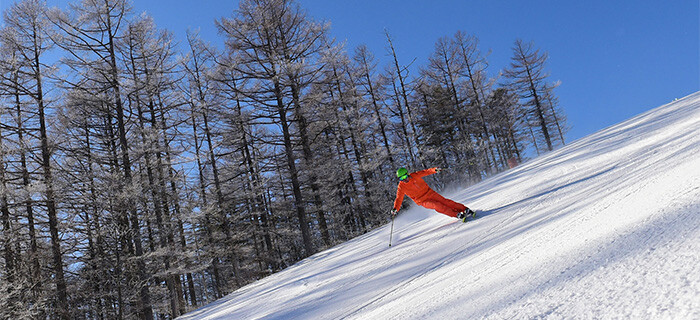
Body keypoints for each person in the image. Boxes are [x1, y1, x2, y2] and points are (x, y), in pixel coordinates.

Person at [392, 167, 475, 222]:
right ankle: (456, 214)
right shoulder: (401, 187)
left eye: (405, 177)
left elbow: (425, 172)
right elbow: (399, 198)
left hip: (430, 193)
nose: (404, 179)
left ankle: (464, 209)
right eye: (401, 178)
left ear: (408, 174)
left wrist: (435, 170)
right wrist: (396, 208)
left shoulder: (414, 176)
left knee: (446, 202)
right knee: (437, 205)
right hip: (422, 200)